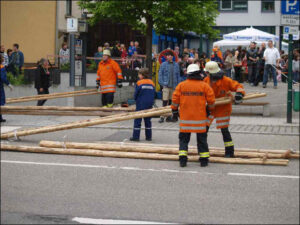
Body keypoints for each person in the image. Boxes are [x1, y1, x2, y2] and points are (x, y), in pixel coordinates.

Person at [171, 64, 215, 167]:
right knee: (202, 140)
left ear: (188, 74)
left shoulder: (181, 85)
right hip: (200, 119)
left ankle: (183, 160)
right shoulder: (204, 86)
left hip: (185, 120)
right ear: (198, 74)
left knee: (183, 140)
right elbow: (211, 101)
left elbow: (175, 100)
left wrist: (174, 111)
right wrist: (210, 110)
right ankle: (204, 160)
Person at [204, 61, 245, 158]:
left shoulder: (226, 81)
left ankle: (229, 152)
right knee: (204, 130)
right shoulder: (206, 80)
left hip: (223, 108)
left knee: (224, 130)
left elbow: (238, 86)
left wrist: (239, 94)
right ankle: (203, 150)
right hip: (210, 108)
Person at [130, 68, 155, 141]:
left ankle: (136, 137)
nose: (138, 76)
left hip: (141, 103)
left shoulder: (139, 83)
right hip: (149, 103)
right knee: (147, 120)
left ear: (142, 75)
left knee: (138, 120)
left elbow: (136, 94)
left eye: (139, 74)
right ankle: (148, 137)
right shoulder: (151, 82)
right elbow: (154, 93)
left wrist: (135, 99)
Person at [158, 51, 181, 123]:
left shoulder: (176, 65)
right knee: (164, 101)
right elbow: (160, 75)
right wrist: (162, 83)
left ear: (172, 57)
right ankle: (162, 116)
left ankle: (169, 116)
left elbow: (178, 76)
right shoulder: (163, 65)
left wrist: (178, 85)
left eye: (169, 56)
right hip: (166, 86)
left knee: (171, 102)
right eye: (167, 56)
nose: (168, 57)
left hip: (174, 86)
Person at [0, 55, 13, 122]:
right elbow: (2, 77)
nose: (3, 59)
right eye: (2, 58)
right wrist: (8, 84)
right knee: (1, 102)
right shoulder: (1, 67)